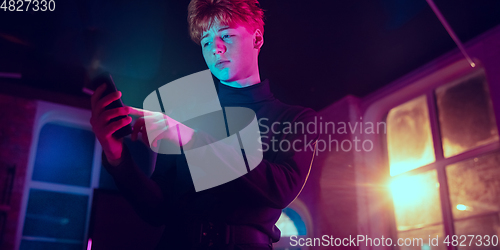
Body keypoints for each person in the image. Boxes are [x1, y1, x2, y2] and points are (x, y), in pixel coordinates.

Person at [90, 0, 318, 249]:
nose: (215, 49)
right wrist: (118, 158)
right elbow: (157, 210)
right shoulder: (184, 117)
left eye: (227, 35)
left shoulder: (295, 119)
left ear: (257, 39)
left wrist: (192, 139)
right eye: (206, 41)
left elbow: (281, 188)